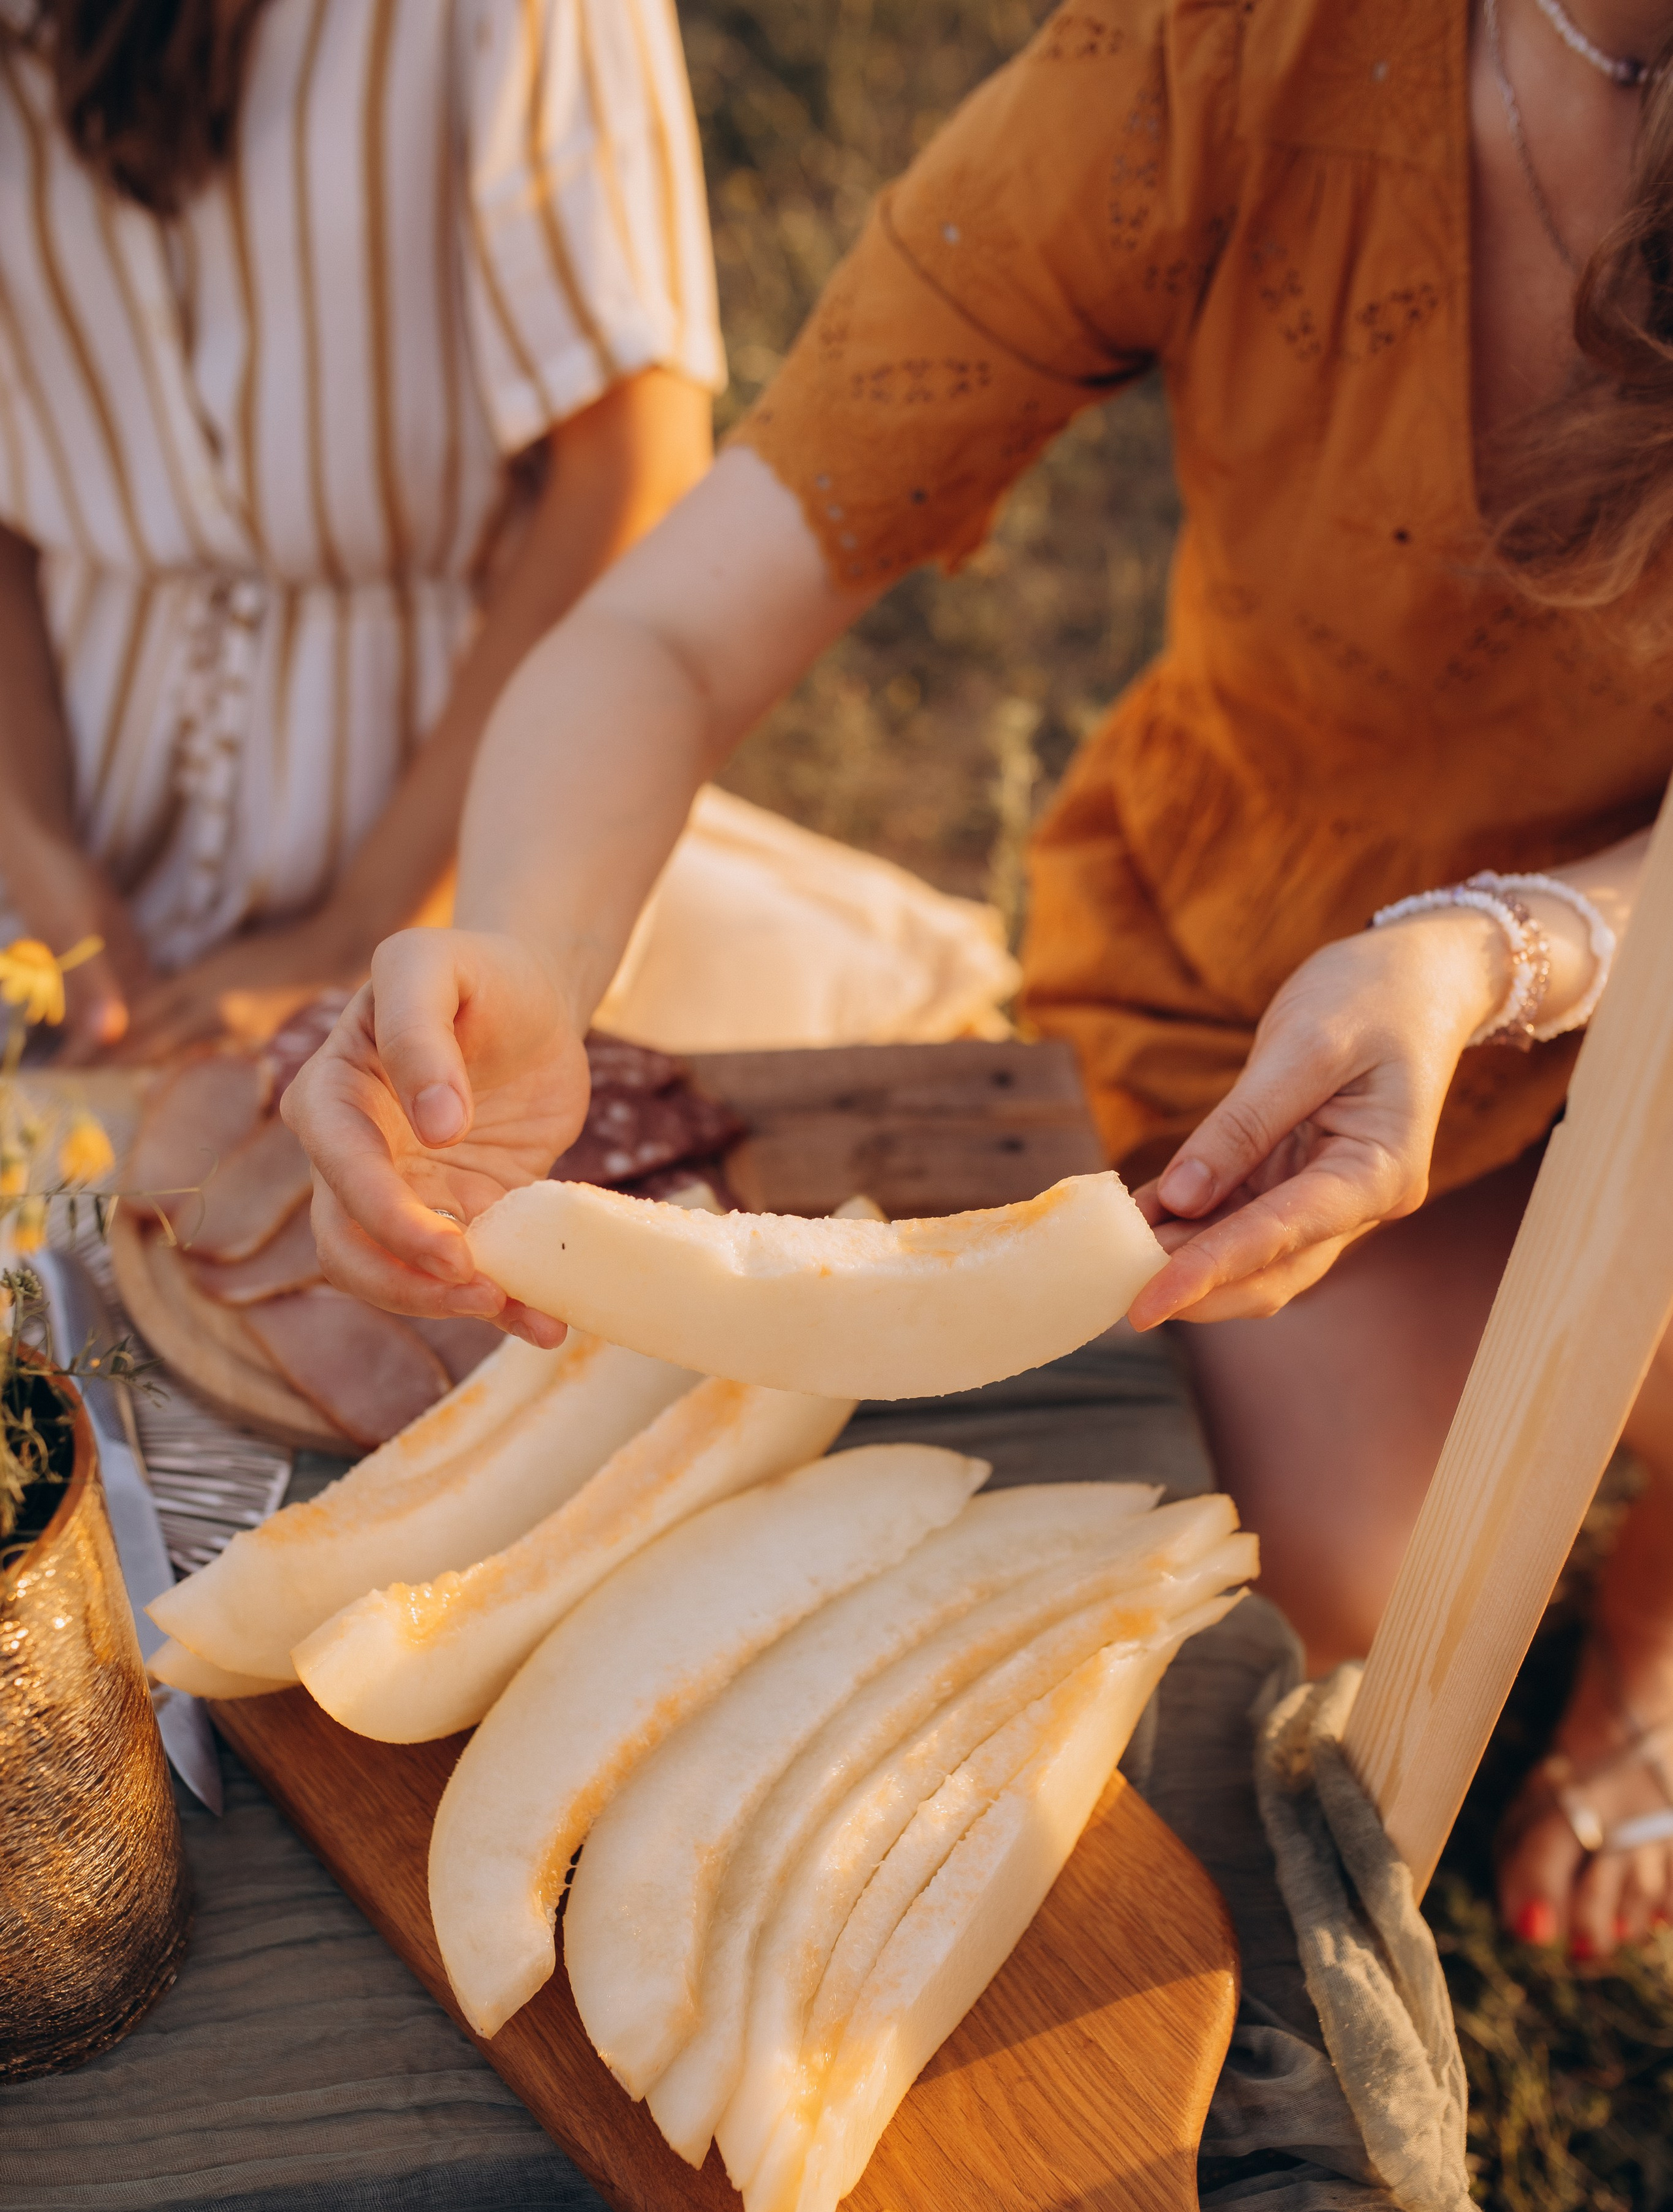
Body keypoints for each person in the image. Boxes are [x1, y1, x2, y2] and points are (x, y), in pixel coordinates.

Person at [284, 0, 1673, 1960]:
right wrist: (526, 949)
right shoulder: (1225, 50)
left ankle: (1649, 1632)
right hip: (1261, 969)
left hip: (1601, 940)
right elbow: (669, 630)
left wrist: (1495, 951)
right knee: (1326, 1566)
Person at [0, 0, 721, 1063]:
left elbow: (637, 472)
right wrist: (35, 852)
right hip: (65, 881)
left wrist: (362, 931)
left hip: (463, 888)